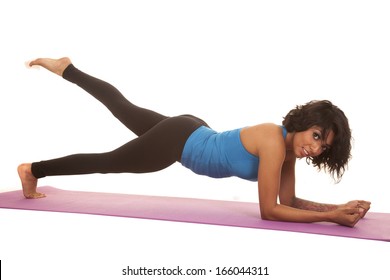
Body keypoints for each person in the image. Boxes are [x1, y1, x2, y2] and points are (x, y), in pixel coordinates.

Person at [18, 57, 370, 227]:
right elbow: (270, 211)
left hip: (192, 130)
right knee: (108, 161)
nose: (315, 147)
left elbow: (289, 200)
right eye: (317, 136)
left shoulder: (287, 154)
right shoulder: (274, 142)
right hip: (181, 143)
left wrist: (334, 208)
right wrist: (333, 218)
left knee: (123, 108)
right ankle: (33, 169)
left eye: (323, 147)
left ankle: (67, 68)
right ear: (306, 123)